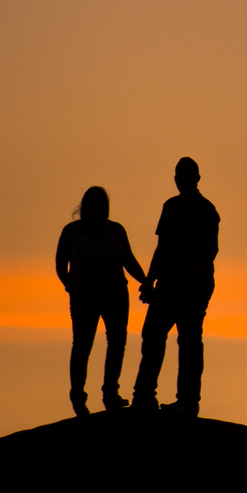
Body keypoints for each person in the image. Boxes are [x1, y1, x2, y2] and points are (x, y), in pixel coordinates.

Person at [131, 156, 220, 415]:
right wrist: (149, 281)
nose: (181, 180)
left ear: (197, 179)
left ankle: (188, 401)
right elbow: (162, 248)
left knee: (189, 341)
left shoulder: (207, 210)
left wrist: (192, 279)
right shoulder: (169, 207)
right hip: (168, 284)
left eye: (186, 175)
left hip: (194, 286)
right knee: (153, 336)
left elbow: (210, 250)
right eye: (178, 175)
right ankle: (144, 396)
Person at [55, 186, 147, 416]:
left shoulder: (116, 230)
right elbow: (60, 264)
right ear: (84, 206)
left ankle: (110, 393)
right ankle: (78, 396)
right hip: (84, 295)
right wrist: (70, 285)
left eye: (101, 202)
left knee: (117, 344)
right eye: (92, 202)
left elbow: (128, 260)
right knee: (82, 345)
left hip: (115, 293)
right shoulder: (71, 231)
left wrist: (146, 281)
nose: (97, 206)